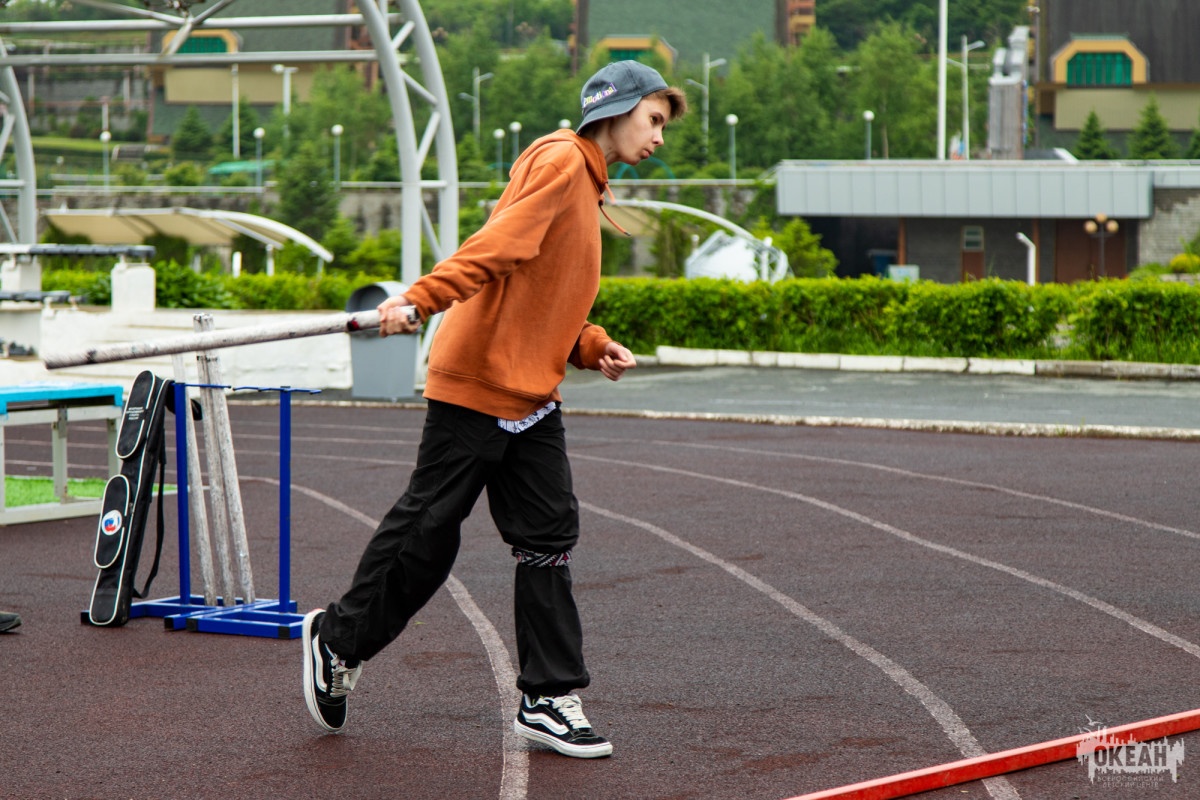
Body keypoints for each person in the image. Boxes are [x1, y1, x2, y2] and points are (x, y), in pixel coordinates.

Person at [301, 60, 687, 758]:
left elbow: (544, 292)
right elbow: (499, 247)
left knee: (548, 536)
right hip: (479, 383)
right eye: (654, 119)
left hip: (532, 394)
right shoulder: (563, 160)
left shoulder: (588, 185)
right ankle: (337, 640)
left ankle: (546, 696)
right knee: (428, 535)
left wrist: (590, 344)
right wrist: (420, 298)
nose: (659, 136)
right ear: (619, 107)